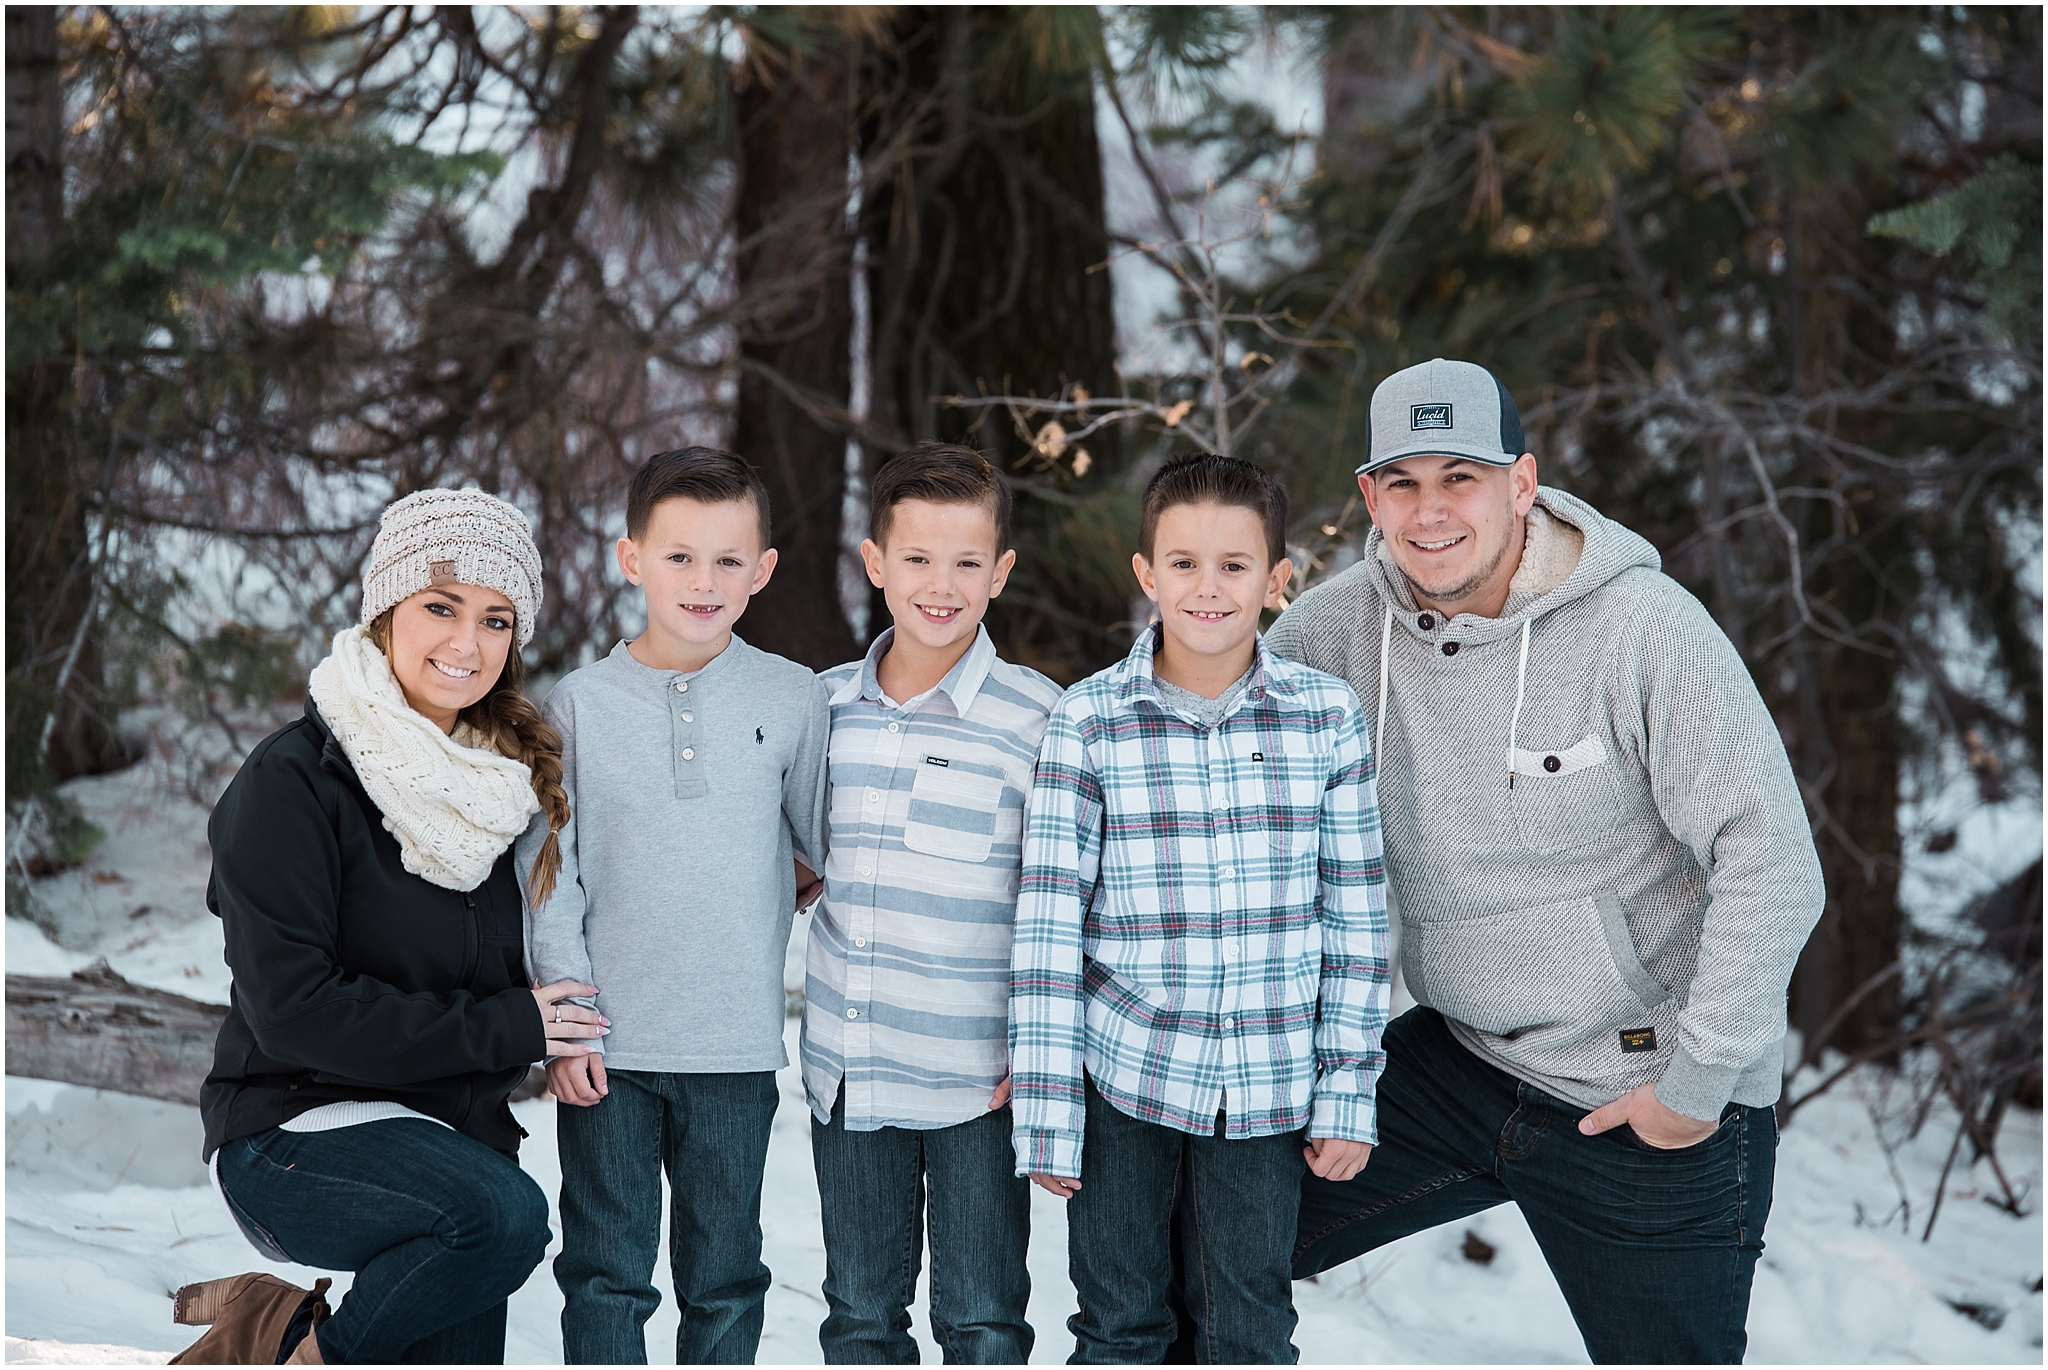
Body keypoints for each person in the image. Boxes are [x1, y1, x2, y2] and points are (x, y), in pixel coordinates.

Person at [1265, 357, 1826, 1364]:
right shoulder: (1329, 634)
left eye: (1459, 477)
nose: (1430, 511)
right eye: (1401, 481)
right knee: (1204, 1239)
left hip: (1642, 1088)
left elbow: (1772, 859)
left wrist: (1692, 1086)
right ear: (1367, 496)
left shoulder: (1642, 630)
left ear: (1521, 483)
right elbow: (1200, 734)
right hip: (1459, 1058)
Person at [175, 489, 603, 1366]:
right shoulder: (290, 785)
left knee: (483, 1235)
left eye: (495, 620)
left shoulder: (500, 789)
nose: (465, 644)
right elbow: (295, 1010)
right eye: (440, 607)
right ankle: (292, 1350)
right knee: (502, 1220)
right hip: (290, 1134)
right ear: (386, 611)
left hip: (452, 1145)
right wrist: (508, 1028)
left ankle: (286, 1330)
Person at [1010, 453, 1390, 1364]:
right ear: (1146, 575)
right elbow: (1049, 927)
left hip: (1266, 1091)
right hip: (1122, 1082)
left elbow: (1358, 919)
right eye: (1183, 563)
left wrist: (1348, 1087)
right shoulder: (1089, 720)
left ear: (1278, 580)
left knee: (1246, 1330)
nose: (1208, 588)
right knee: (1119, 1326)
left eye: (1234, 566)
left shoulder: (1324, 717)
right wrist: (1050, 1108)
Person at [520, 446, 830, 1365]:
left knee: (727, 1276)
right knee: (607, 1272)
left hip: (734, 1049)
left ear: (763, 571)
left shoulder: (793, 695)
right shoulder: (576, 706)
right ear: (631, 559)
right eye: (680, 556)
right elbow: (552, 877)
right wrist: (569, 1026)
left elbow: (818, 843)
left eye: (729, 560)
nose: (704, 580)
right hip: (610, 1052)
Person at [801, 443, 1062, 1363]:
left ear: (1000, 573)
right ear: (875, 564)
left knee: (984, 1322)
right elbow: (783, 864)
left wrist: (1041, 1051)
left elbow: (1072, 906)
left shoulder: (1041, 723)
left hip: (977, 1087)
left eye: (965, 562)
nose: (938, 585)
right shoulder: (822, 712)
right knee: (861, 1319)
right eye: (915, 558)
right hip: (850, 1073)